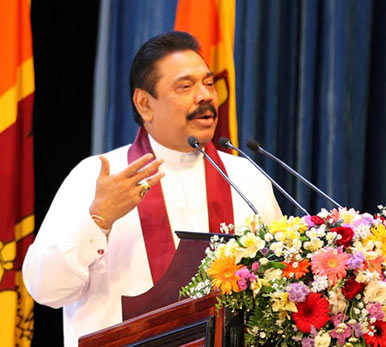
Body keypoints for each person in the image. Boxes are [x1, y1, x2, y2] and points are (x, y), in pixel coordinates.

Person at [23, 31, 282, 347]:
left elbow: (277, 286)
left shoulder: (246, 179)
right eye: (185, 87)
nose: (205, 96)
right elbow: (45, 289)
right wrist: (98, 220)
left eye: (209, 83)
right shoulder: (96, 176)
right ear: (145, 103)